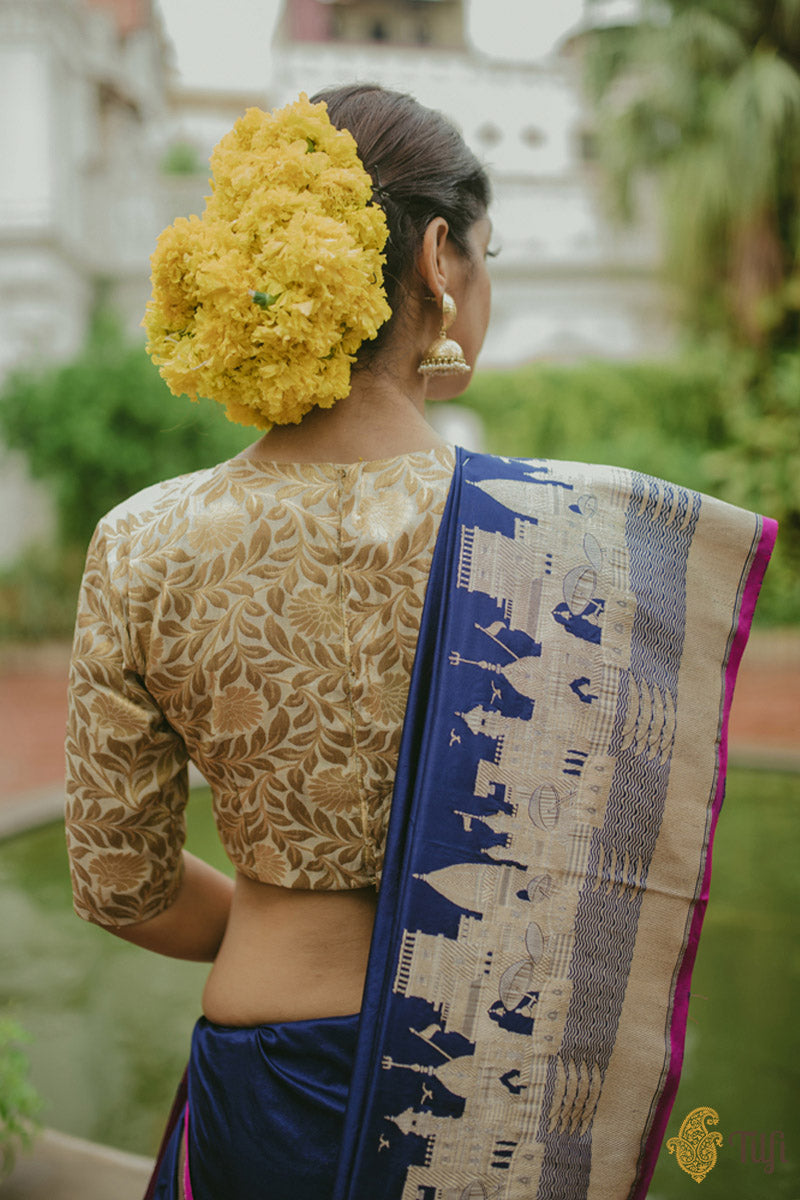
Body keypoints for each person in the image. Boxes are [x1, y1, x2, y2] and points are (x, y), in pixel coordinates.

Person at [65, 85, 776, 1200]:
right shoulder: (578, 538)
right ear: (440, 257)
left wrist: (278, 920)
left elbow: (120, 886)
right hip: (483, 1075)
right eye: (487, 255)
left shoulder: (141, 542)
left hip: (259, 1079)